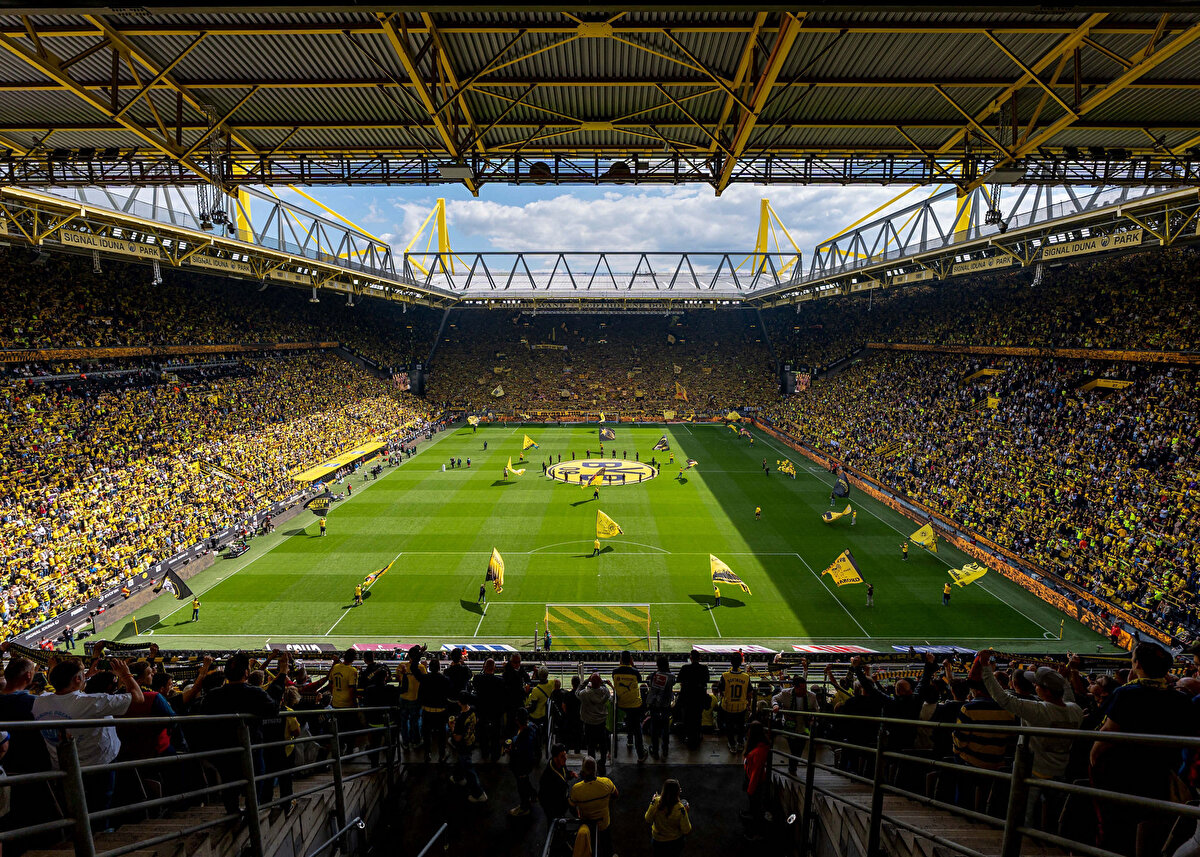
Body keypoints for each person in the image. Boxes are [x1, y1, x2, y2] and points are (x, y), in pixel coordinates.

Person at [1090, 642, 1194, 856]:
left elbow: (1108, 733)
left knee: (1119, 822)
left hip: (1125, 771)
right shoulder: (1181, 699)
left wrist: (1093, 757)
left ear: (1137, 664)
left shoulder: (1127, 693)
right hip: (1161, 770)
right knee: (1150, 821)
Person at [34, 658, 146, 816]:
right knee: (100, 809)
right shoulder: (93, 701)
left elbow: (69, 698)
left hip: (65, 768)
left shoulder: (40, 701)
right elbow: (138, 697)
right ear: (77, 679)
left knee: (74, 809)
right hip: (99, 765)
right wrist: (125, 674)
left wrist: (85, 677)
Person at [570, 756, 619, 857]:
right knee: (606, 845)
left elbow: (572, 807)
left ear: (583, 771)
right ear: (595, 770)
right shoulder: (606, 783)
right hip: (604, 823)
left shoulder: (576, 789)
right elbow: (615, 795)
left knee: (590, 846)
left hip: (587, 823)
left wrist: (578, 815)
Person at [772, 669, 816, 774]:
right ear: (795, 688)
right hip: (789, 726)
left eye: (805, 688)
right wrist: (775, 705)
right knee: (794, 748)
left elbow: (816, 709)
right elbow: (774, 698)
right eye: (801, 688)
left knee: (799, 748)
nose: (804, 691)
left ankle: (793, 766)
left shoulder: (811, 696)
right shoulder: (785, 693)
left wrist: (813, 717)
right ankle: (793, 767)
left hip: (804, 727)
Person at [449, 693, 487, 803]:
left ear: (459, 702)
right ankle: (458, 777)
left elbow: (457, 738)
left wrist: (452, 727)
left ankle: (479, 794)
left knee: (469, 769)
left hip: (463, 746)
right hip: (471, 741)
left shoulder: (461, 719)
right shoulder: (473, 709)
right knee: (461, 761)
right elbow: (476, 721)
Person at [613, 651, 647, 762]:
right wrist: (633, 665)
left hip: (621, 704)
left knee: (629, 720)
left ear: (621, 659)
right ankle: (640, 755)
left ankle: (629, 740)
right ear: (631, 660)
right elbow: (640, 680)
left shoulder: (615, 671)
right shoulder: (635, 671)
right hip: (634, 705)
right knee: (637, 729)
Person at [645, 778, 692, 856]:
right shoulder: (680, 808)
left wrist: (652, 802)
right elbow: (686, 830)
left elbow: (648, 819)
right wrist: (686, 812)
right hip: (675, 842)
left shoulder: (656, 802)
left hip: (658, 841)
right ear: (677, 792)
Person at [577, 673, 613, 774]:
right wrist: (602, 683)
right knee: (602, 744)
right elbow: (607, 690)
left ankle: (591, 766)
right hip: (601, 723)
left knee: (591, 745)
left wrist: (585, 682)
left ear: (591, 682)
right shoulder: (605, 692)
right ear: (600, 682)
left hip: (589, 723)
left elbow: (577, 692)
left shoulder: (585, 693)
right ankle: (602, 763)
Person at [506, 709, 539, 817]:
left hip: (521, 765)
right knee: (525, 780)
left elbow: (520, 753)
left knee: (521, 785)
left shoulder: (524, 738)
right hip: (529, 763)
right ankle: (533, 794)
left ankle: (525, 807)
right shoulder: (532, 727)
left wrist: (510, 751)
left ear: (517, 721)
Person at [419, 657, 452, 763]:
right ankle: (442, 754)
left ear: (429, 667)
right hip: (441, 711)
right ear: (439, 668)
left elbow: (420, 694)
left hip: (427, 711)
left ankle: (427, 754)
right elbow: (448, 695)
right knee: (442, 734)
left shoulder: (424, 678)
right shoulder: (445, 679)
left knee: (427, 734)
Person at [718, 653, 752, 753]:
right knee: (741, 726)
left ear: (731, 662)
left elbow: (721, 691)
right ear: (741, 662)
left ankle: (732, 744)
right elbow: (749, 693)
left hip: (728, 706)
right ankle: (740, 743)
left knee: (729, 727)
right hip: (741, 706)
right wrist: (748, 703)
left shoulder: (725, 676)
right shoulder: (746, 677)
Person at [677, 650, 710, 750]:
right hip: (699, 697)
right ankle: (697, 736)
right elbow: (707, 680)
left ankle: (688, 736)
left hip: (687, 697)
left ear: (690, 658)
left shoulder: (685, 668)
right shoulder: (704, 668)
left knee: (687, 718)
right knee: (698, 718)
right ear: (699, 658)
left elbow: (679, 679)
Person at [743, 721, 771, 841]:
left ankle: (757, 833)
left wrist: (751, 788)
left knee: (757, 810)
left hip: (756, 783)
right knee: (755, 808)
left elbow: (756, 772)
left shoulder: (759, 751)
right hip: (753, 781)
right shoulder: (758, 746)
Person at [646, 654, 676, 759]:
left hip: (655, 705)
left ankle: (655, 751)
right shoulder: (672, 677)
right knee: (665, 728)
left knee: (654, 728)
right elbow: (673, 682)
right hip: (666, 705)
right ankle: (665, 749)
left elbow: (650, 684)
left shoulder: (653, 676)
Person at [538, 742, 576, 820]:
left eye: (565, 755)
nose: (565, 758)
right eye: (562, 756)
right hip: (553, 809)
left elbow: (565, 774)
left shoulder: (561, 763)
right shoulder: (548, 777)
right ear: (555, 758)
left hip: (562, 805)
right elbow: (542, 797)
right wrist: (550, 812)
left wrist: (570, 775)